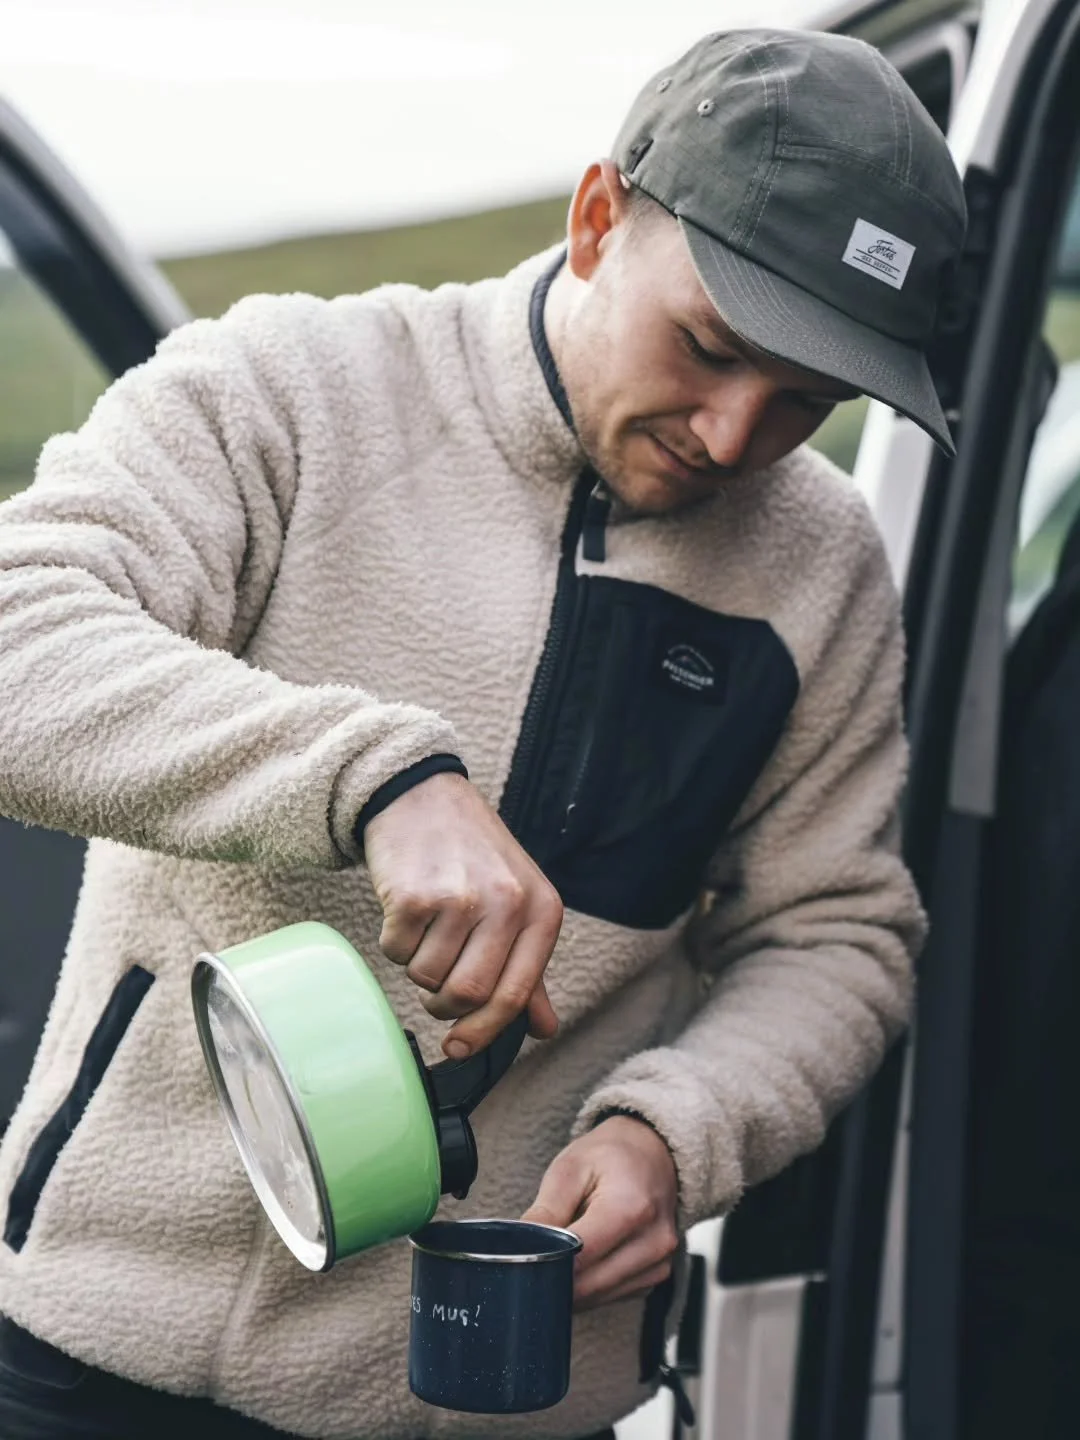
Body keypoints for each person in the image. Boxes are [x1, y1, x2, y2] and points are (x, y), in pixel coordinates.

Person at [0, 25, 964, 1440]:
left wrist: (673, 1133)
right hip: (92, 1360)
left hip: (502, 1399)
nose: (737, 432)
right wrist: (374, 780)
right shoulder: (289, 389)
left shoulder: (824, 569)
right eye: (709, 346)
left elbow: (840, 939)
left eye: (809, 403)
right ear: (595, 219)